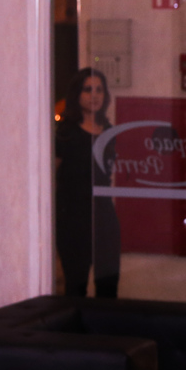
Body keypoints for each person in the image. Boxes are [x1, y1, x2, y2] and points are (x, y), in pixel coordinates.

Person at [54, 67, 122, 298]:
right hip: (73, 218)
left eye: (99, 90)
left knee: (108, 285)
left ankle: (106, 332)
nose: (94, 95)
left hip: (104, 214)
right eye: (88, 89)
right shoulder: (66, 133)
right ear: (77, 94)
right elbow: (51, 178)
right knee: (75, 285)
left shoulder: (110, 132)